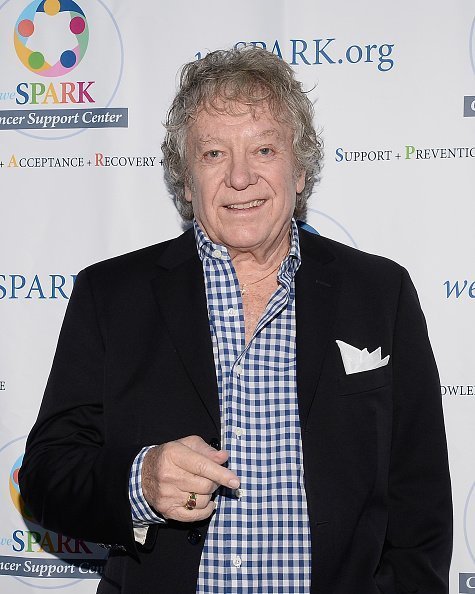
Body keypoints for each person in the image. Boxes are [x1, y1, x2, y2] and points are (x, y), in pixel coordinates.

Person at [19, 47, 452, 594]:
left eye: (264, 149)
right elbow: (45, 476)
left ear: (299, 171)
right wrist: (141, 482)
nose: (241, 177)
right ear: (185, 180)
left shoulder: (379, 292)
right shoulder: (111, 295)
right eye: (214, 153)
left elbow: (421, 504)